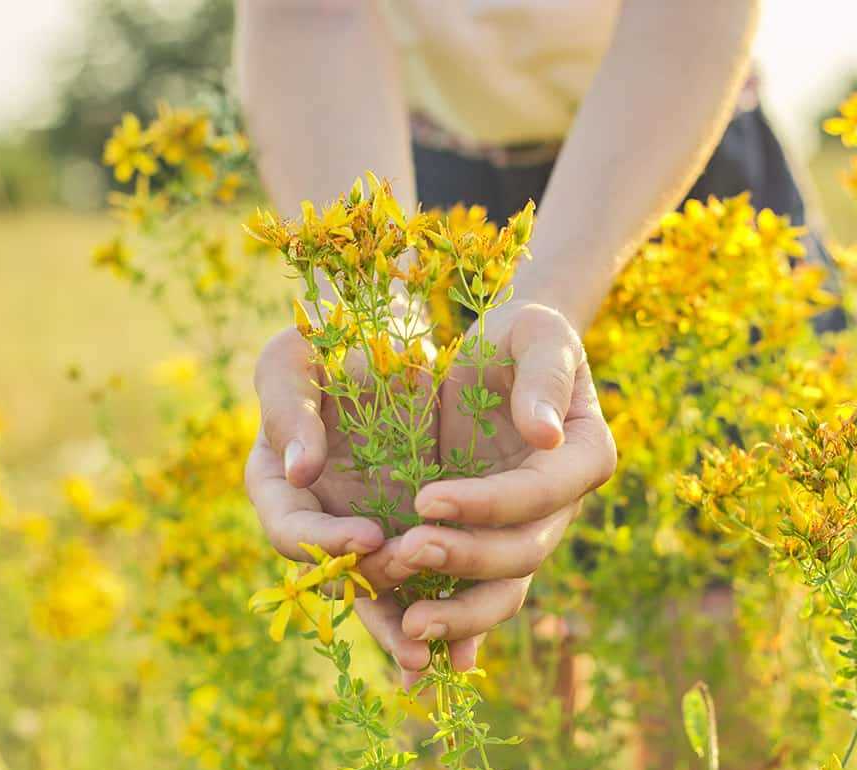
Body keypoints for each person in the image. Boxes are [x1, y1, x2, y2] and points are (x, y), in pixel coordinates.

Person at [235, 0, 823, 687]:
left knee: (707, 631)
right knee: (467, 634)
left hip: (674, 158)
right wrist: (367, 322)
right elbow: (310, 13)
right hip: (418, 177)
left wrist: (547, 294)